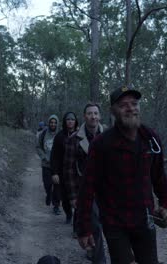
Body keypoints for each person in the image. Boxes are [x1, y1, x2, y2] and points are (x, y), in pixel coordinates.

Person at [76, 85, 167, 264]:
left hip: (145, 218)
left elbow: (159, 175)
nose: (130, 108)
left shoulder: (150, 138)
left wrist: (164, 203)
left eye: (134, 103)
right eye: (123, 105)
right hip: (115, 221)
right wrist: (84, 227)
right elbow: (87, 188)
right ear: (113, 111)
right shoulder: (102, 144)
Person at [63, 103, 106, 264]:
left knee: (113, 225)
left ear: (100, 116)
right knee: (95, 226)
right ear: (84, 116)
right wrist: (73, 196)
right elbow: (68, 170)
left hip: (108, 191)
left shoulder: (109, 136)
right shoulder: (74, 140)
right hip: (86, 191)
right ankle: (99, 260)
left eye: (96, 113)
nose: (93, 116)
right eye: (89, 113)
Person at [50, 112, 79, 223]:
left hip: (77, 172)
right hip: (63, 172)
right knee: (65, 198)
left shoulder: (80, 135)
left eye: (72, 119)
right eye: (68, 119)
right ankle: (68, 214)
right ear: (65, 121)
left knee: (78, 197)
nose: (70, 121)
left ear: (75, 121)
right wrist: (54, 172)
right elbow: (54, 156)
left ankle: (77, 223)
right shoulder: (60, 136)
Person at [36, 115, 61, 214]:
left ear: (57, 123)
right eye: (51, 122)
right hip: (46, 164)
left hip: (58, 165)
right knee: (47, 184)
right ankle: (48, 194)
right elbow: (38, 147)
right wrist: (44, 157)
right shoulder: (43, 134)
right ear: (49, 123)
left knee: (57, 185)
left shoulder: (60, 134)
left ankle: (56, 206)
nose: (53, 124)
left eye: (55, 122)